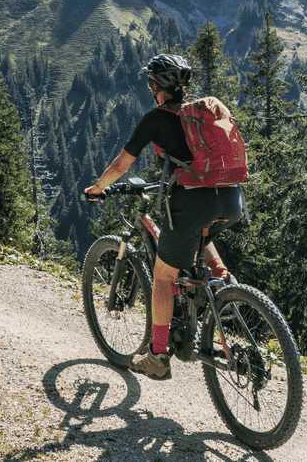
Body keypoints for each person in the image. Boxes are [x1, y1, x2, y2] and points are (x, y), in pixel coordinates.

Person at [84, 53, 245, 380]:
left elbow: (121, 166)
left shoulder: (155, 119)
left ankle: (158, 356)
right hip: (231, 197)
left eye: (150, 82)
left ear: (155, 86)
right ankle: (225, 282)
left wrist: (98, 188)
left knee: (163, 277)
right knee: (198, 234)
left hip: (193, 201)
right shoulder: (200, 113)